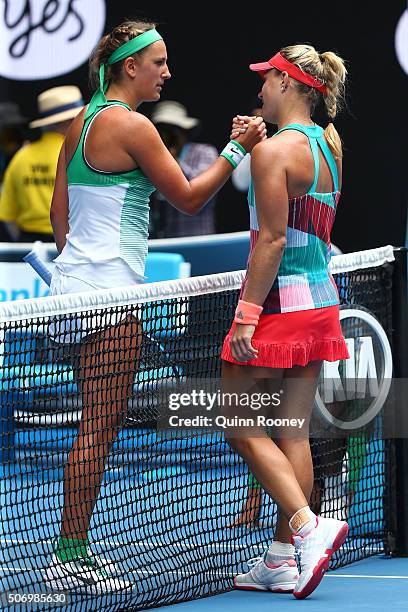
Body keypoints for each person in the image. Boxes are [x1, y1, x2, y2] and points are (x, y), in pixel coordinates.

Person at [45, 20, 265, 593]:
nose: (167, 72)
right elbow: (190, 197)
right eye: (159, 63)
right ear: (130, 67)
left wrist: (80, 270)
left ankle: (70, 549)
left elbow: (58, 214)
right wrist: (238, 148)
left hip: (71, 292)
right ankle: (68, 555)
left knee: (93, 424)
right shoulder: (134, 126)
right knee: (99, 427)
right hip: (111, 300)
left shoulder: (83, 121)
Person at [220, 44, 349, 599]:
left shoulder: (274, 154)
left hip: (276, 308)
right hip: (319, 301)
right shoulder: (326, 146)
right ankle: (280, 559)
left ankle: (306, 527)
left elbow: (271, 240)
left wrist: (247, 316)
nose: (260, 89)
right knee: (291, 430)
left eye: (267, 80)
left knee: (235, 421)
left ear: (290, 84)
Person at [0, 87, 83, 242]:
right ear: (69, 122)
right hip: (72, 240)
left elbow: (7, 214)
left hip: (29, 242)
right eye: (81, 119)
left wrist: (23, 242)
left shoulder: (21, 157)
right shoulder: (78, 153)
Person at [149, 100, 218, 237]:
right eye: (162, 130)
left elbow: (201, 191)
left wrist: (173, 160)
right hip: (163, 243)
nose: (166, 135)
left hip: (198, 241)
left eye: (173, 129)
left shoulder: (204, 152)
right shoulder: (149, 159)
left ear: (185, 131)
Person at [0, 102, 28, 240]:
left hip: (17, 220)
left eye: (15, 129)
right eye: (7, 130)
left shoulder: (24, 153)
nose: (12, 135)